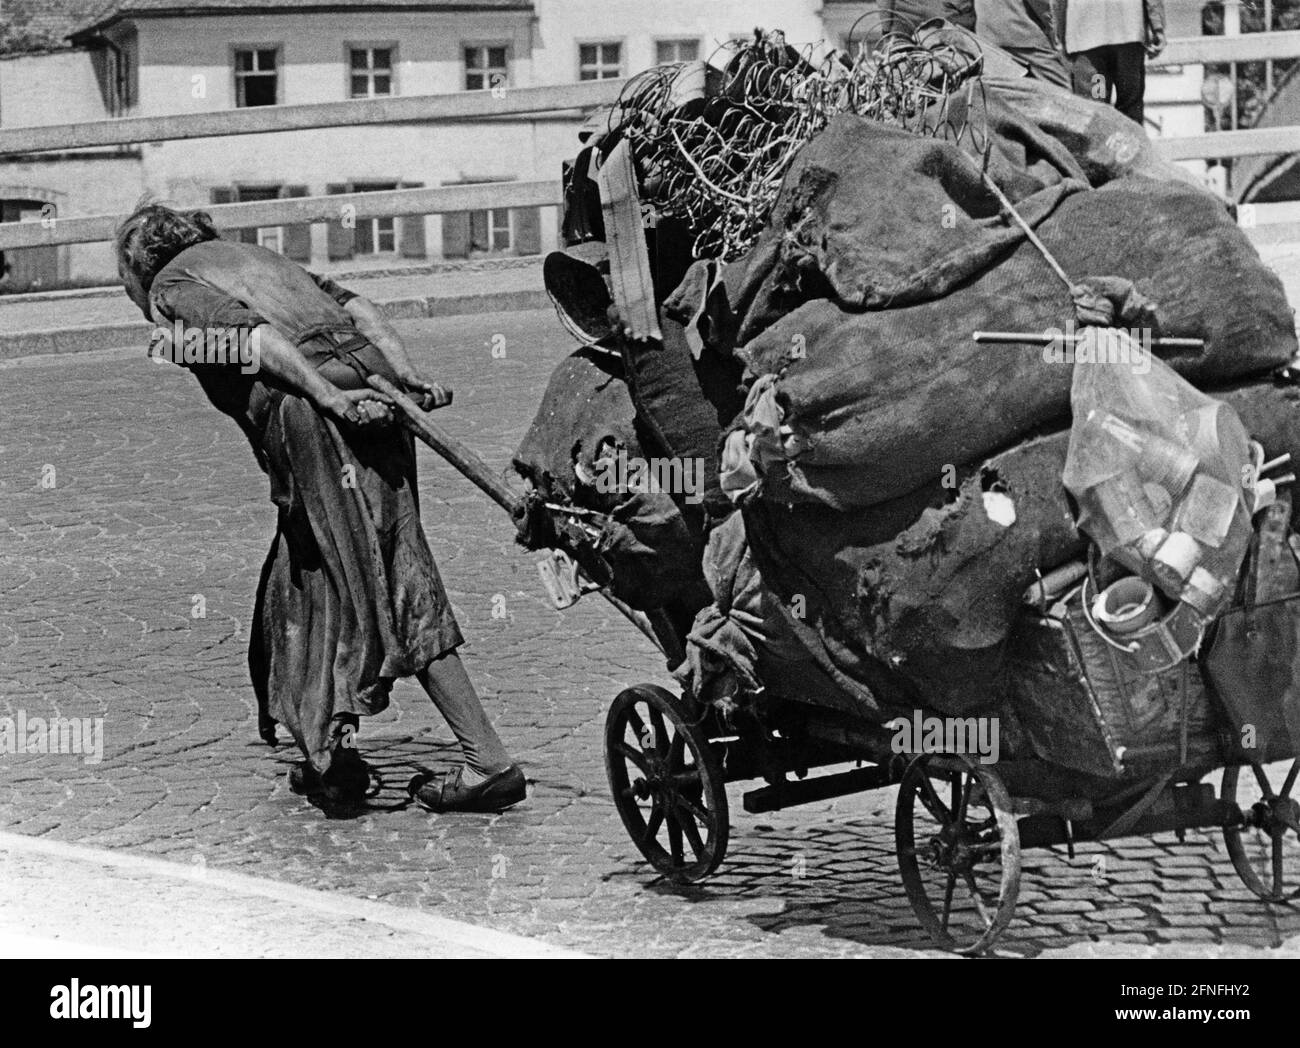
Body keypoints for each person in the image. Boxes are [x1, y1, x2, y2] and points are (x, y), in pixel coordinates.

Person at [115, 203, 526, 813]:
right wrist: (406, 377)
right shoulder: (259, 258)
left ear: (135, 265)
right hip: (372, 386)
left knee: (386, 575)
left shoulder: (173, 286)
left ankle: (485, 758)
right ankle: (328, 751)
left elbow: (249, 340)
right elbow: (359, 309)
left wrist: (330, 397)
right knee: (303, 571)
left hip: (317, 415)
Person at [1058, 0, 1167, 125]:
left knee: (1094, 107)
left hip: (1087, 37)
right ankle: (1130, 143)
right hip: (1128, 32)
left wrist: (1060, 37)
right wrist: (1157, 28)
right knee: (1129, 108)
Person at [974, 0, 1072, 90]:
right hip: (1023, 33)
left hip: (988, 37)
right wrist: (1055, 34)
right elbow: (1044, 5)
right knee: (1061, 92)